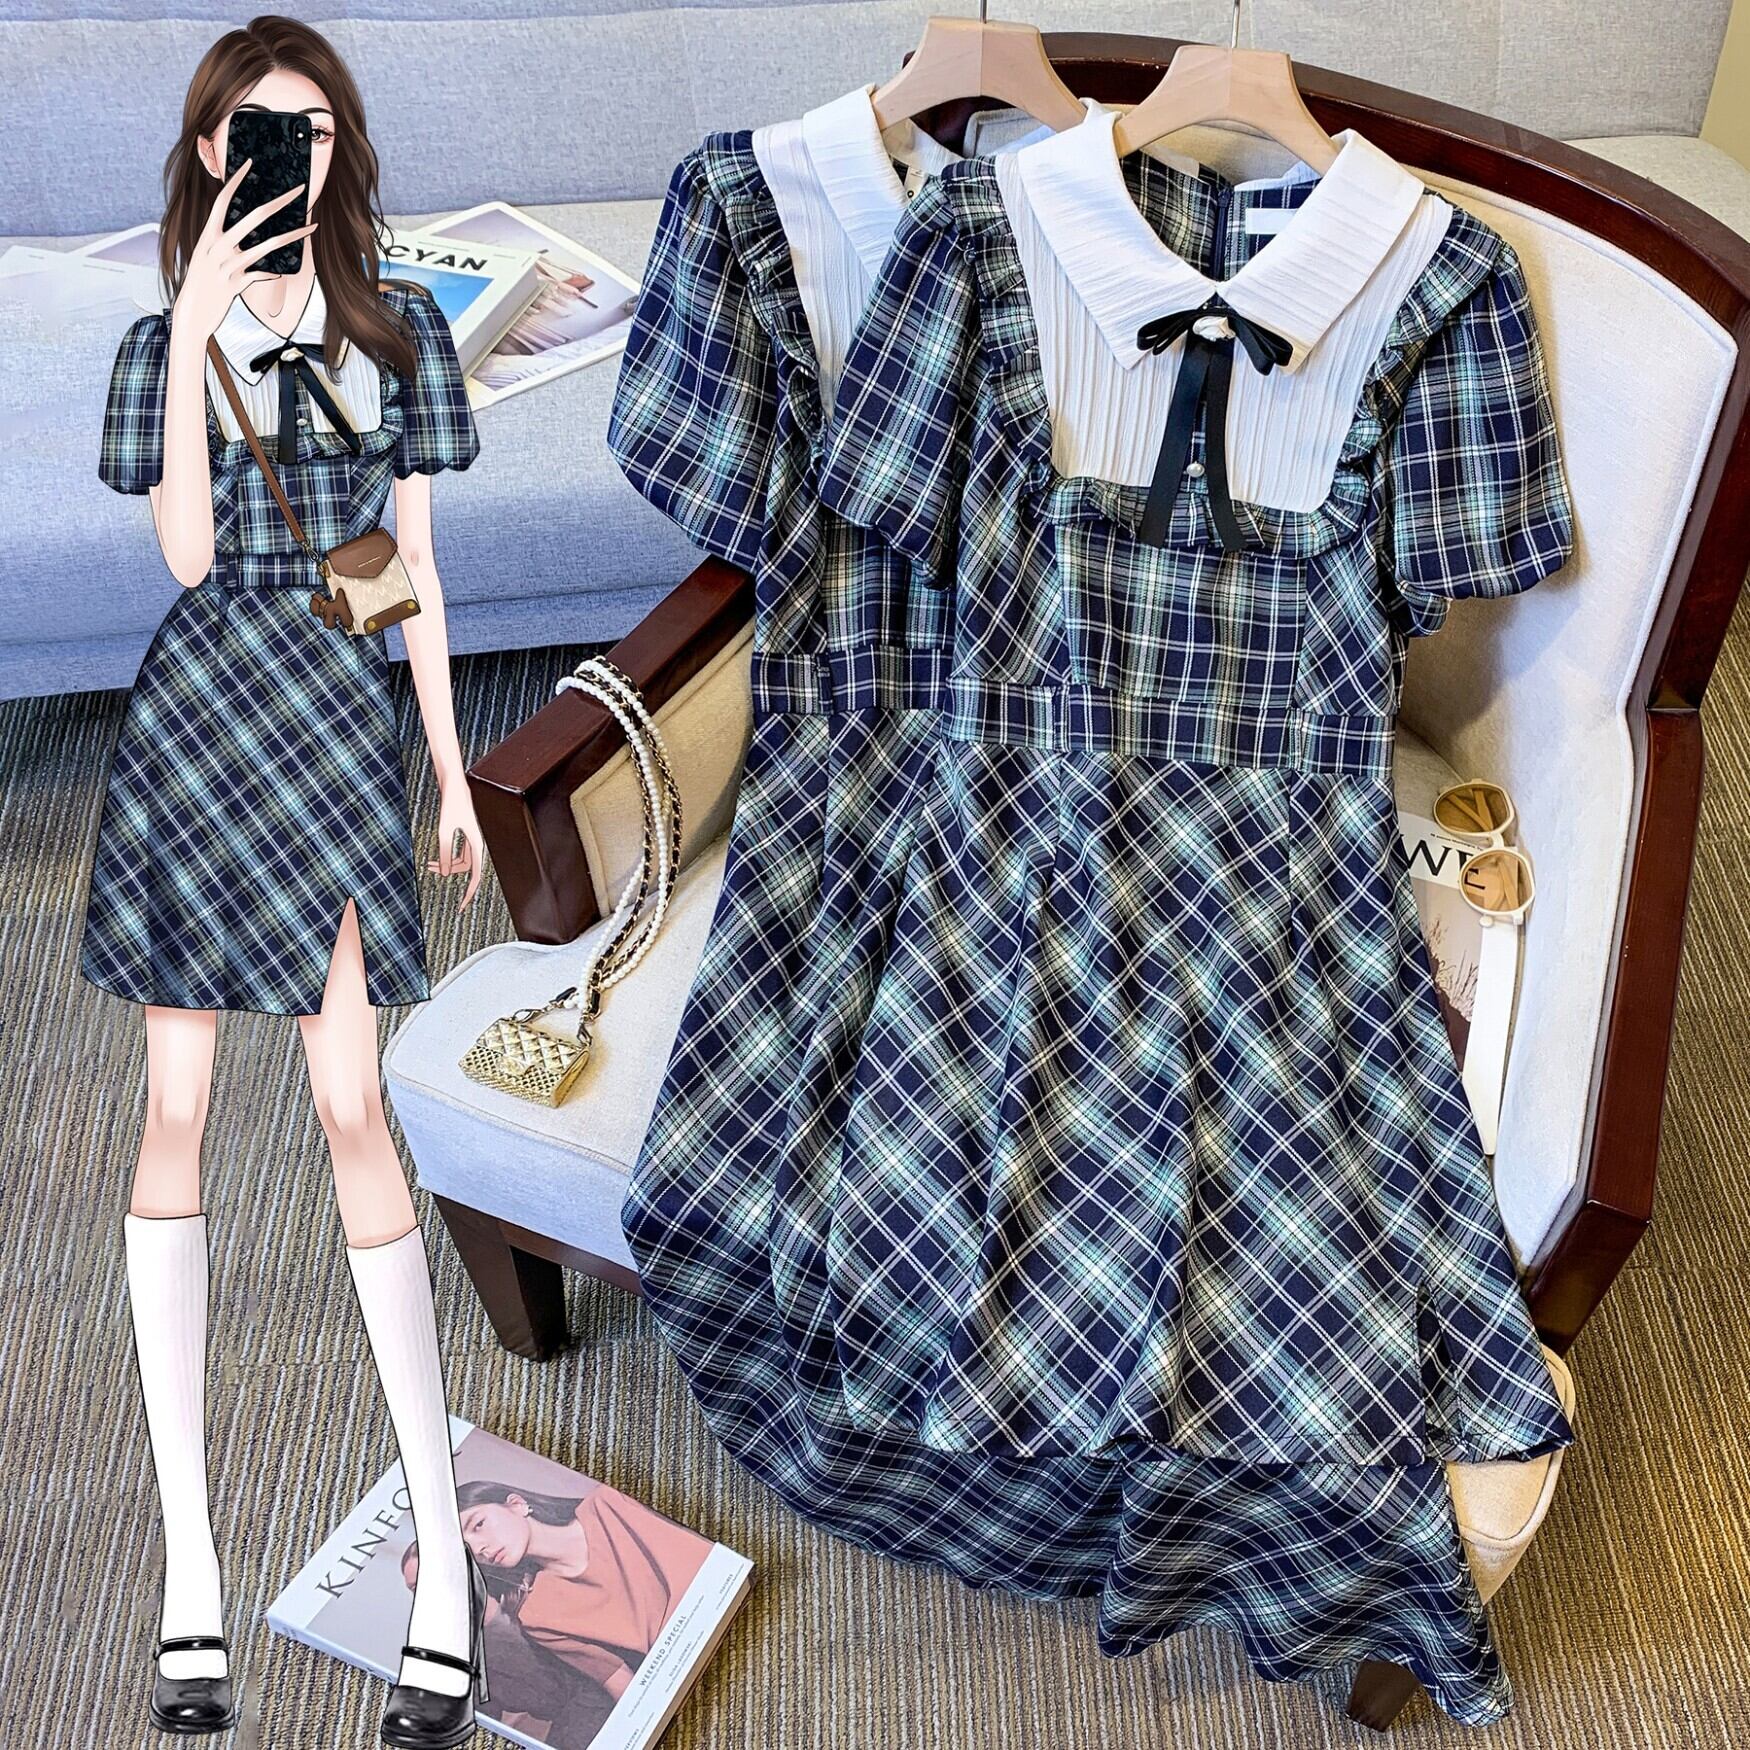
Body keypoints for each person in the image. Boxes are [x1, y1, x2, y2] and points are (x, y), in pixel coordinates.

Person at [87, 16, 486, 1745]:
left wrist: (453, 772)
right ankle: (189, 1562)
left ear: (341, 149)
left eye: (312, 129)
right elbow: (187, 553)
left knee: (347, 1104)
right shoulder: (155, 343)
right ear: (206, 152)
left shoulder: (397, 333)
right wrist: (192, 330)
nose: (286, 154)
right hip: (201, 723)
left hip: (328, 719)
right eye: (255, 129)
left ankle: (444, 1562)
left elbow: (415, 570)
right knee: (173, 1110)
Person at [456, 1480, 710, 1700]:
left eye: (478, 1524)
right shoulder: (536, 1614)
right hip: (687, 1671)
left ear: (517, 1504)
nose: (479, 1549)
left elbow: (705, 1555)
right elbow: (620, 1682)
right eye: (469, 1551)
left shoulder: (609, 1503)